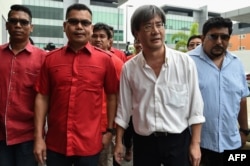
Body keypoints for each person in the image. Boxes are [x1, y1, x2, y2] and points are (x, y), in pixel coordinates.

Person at [114, 5, 205, 166]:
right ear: (136, 33)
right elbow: (123, 109)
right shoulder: (129, 68)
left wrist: (195, 144)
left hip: (177, 140)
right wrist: (120, 142)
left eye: (159, 24)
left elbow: (196, 107)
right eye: (148, 26)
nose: (155, 31)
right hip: (144, 143)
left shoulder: (185, 63)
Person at [33, 3, 119, 166]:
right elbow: (42, 97)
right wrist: (38, 137)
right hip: (56, 143)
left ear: (91, 28)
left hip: (90, 144)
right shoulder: (50, 59)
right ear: (65, 26)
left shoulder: (105, 60)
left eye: (85, 23)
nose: (79, 27)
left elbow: (112, 96)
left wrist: (110, 131)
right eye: (73, 22)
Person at [188, 16, 250, 166]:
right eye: (213, 36)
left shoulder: (236, 64)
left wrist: (244, 131)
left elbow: (241, 99)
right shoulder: (187, 62)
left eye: (224, 37)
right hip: (199, 146)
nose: (219, 41)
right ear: (203, 38)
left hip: (232, 143)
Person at [0, 4, 46, 166]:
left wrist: (40, 138)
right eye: (13, 21)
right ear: (7, 25)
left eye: (24, 22)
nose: (18, 25)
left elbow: (46, 99)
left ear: (31, 27)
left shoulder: (43, 59)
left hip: (28, 137)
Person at [90, 22, 124, 166]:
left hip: (106, 125)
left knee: (103, 160)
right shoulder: (84, 60)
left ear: (109, 41)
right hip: (87, 124)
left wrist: (112, 129)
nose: (98, 39)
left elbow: (121, 96)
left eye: (102, 36)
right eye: (95, 36)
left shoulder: (116, 63)